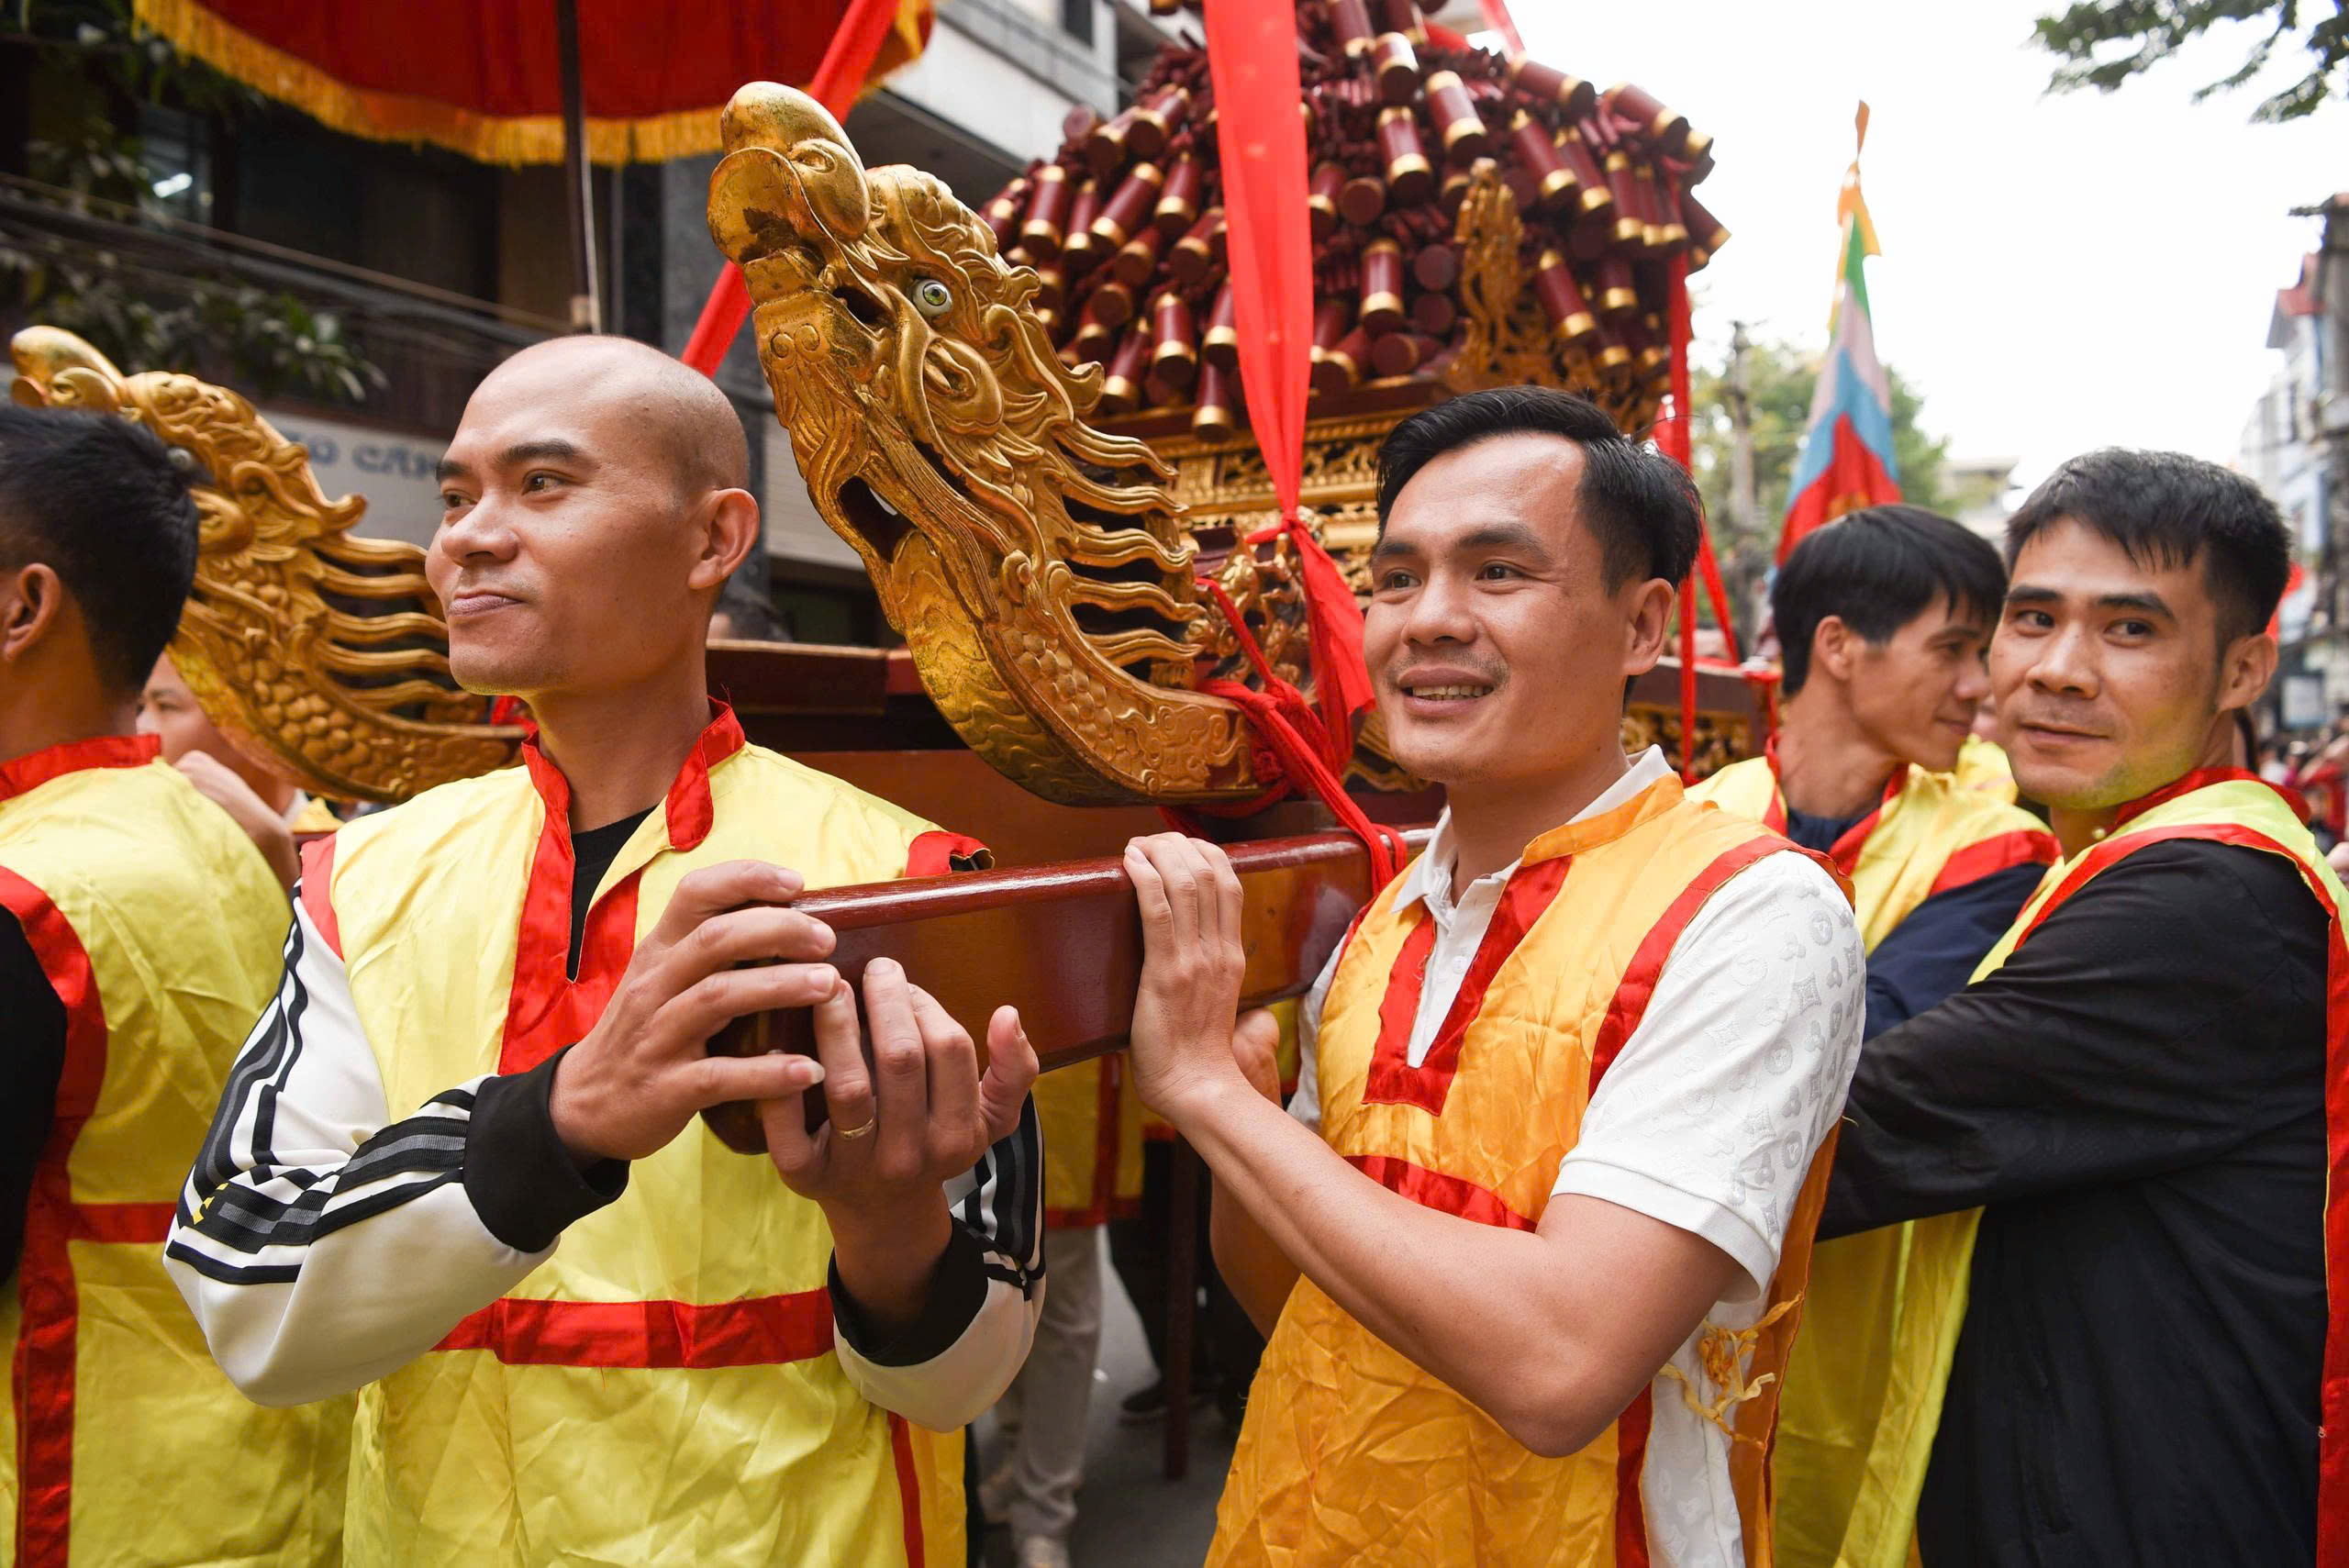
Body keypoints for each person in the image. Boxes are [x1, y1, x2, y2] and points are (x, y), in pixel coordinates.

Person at [164, 336, 1045, 1568]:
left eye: (541, 484)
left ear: (714, 541)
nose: (467, 534)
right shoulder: (361, 876)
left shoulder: (905, 879)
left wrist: (889, 1226)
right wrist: (560, 1117)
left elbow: (967, 1381)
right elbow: (244, 1297)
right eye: (459, 493)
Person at [1119, 386, 1866, 1566]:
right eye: (1399, 576)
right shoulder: (1378, 913)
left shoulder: (1751, 912)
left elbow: (1560, 1365)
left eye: (1498, 573)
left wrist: (1207, 1098)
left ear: (1641, 624)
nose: (1428, 620)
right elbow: (1295, 1300)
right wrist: (1251, 1114)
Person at [1820, 449, 2343, 1564]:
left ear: (2244, 670)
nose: (2057, 669)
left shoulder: (2205, 898)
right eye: (2031, 617)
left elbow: (1849, 1131)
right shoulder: (2107, 859)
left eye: (2130, 629)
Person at [0, 405, 348, 1563]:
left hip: (66, 1500)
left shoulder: (24, 896)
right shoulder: (224, 838)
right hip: (256, 1503)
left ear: (21, 607)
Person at [1690, 506, 2055, 1568]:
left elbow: (1853, 1055)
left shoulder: (1992, 845)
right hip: (1666, 1308)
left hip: (1862, 1306)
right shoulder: (1691, 814)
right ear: (1839, 646)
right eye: (1953, 649)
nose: (1981, 687)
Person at [139, 651, 340, 890]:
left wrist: (274, 847)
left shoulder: (343, 855)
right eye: (141, 707)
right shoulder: (146, 836)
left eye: (166, 707)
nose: (141, 728)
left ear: (255, 725)